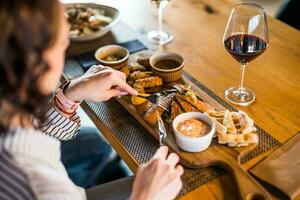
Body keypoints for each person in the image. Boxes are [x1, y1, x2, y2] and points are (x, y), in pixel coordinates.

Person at [0, 0, 184, 200]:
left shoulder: (10, 114)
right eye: (62, 46)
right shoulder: (38, 186)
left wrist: (70, 94)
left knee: (95, 143)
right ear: (33, 63)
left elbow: (33, 131)